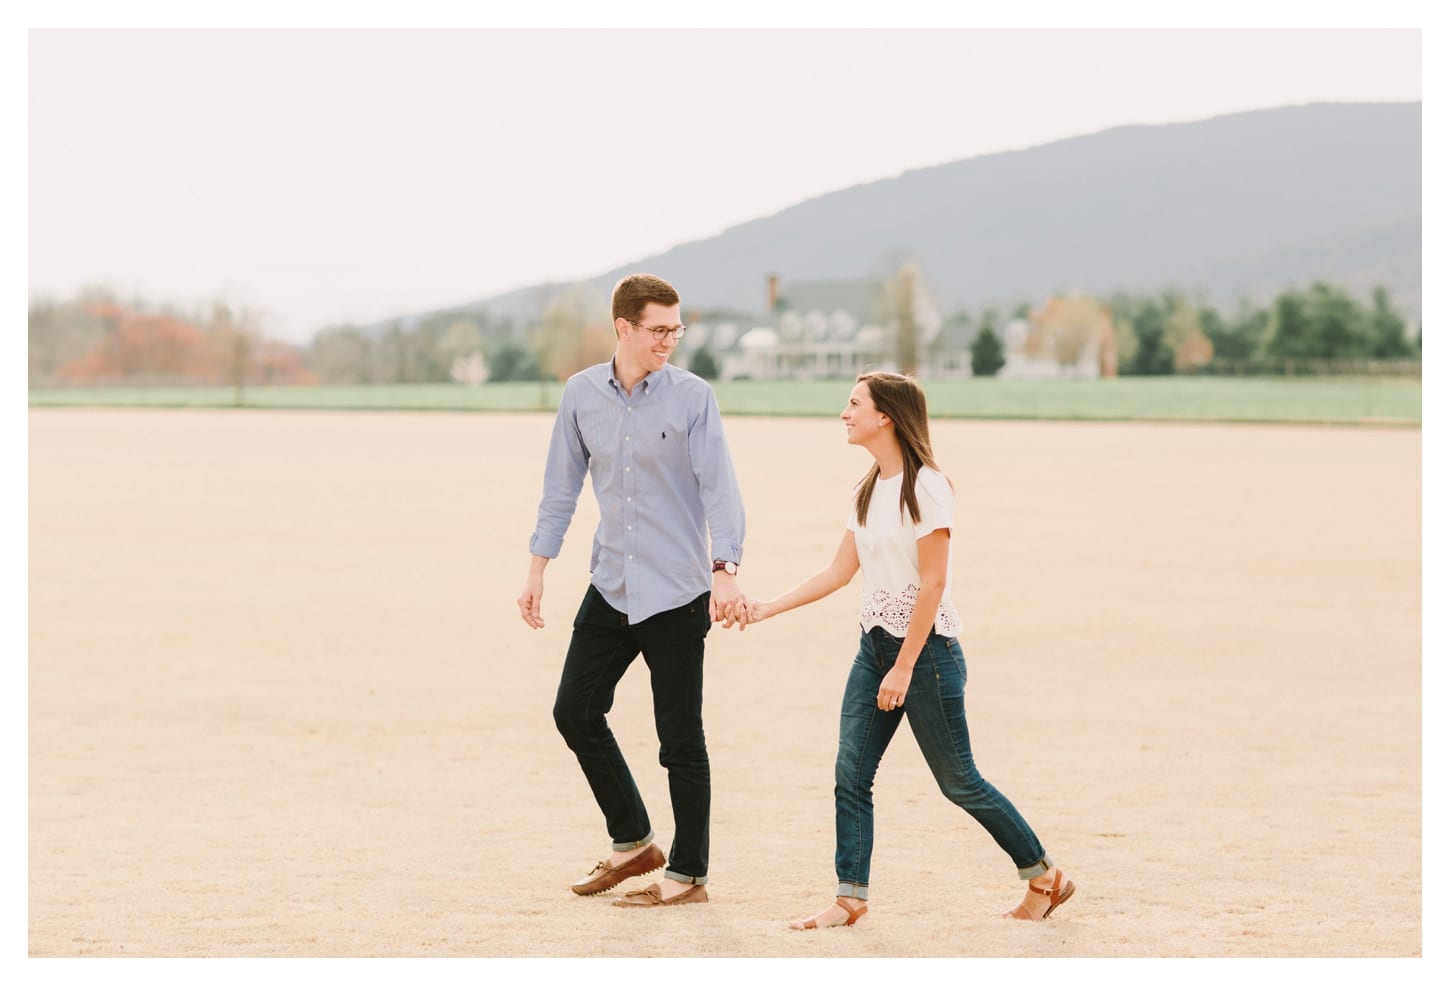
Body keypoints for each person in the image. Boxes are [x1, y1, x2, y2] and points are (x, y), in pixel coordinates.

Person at [747, 371, 1074, 929]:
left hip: (926, 658)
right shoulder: (866, 488)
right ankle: (850, 898)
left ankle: (1045, 875)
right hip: (872, 648)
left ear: (886, 417)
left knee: (959, 782)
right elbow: (838, 571)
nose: (844, 414)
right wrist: (765, 608)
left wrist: (903, 667)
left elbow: (933, 583)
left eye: (854, 404)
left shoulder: (928, 487)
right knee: (850, 774)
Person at [518, 273, 748, 909]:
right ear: (623, 327)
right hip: (611, 583)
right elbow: (560, 487)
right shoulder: (581, 394)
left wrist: (725, 567)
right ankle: (634, 842)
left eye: (676, 329)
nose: (669, 340)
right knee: (575, 710)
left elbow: (719, 489)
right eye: (658, 330)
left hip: (677, 591)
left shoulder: (693, 398)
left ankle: (689, 874)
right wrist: (538, 566)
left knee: (680, 740)